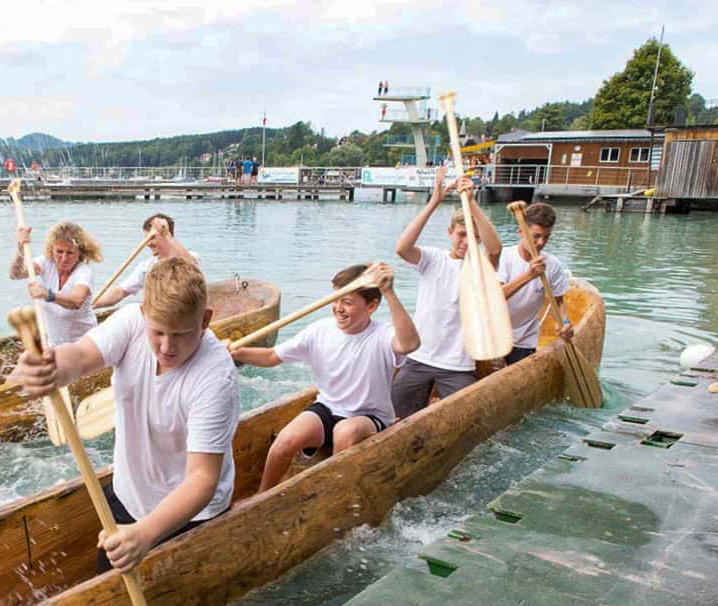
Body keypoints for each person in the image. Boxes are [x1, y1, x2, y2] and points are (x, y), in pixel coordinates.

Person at [12, 258, 239, 574]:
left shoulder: (216, 376)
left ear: (205, 321)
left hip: (190, 514)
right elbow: (78, 357)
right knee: (109, 584)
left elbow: (202, 479)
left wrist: (145, 534)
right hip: (130, 492)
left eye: (182, 334)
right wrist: (50, 368)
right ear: (144, 313)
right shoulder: (131, 322)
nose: (167, 347)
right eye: (158, 332)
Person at [231, 263, 419, 491]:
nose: (338, 308)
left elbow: (410, 344)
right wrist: (236, 352)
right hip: (327, 409)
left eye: (347, 302)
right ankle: (261, 496)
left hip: (369, 417)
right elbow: (272, 356)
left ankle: (332, 493)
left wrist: (389, 292)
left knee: (345, 432)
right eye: (336, 300)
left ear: (371, 307)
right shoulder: (320, 331)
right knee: (285, 441)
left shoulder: (382, 334)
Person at [391, 165, 502, 418]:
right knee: (393, 415)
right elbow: (402, 248)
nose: (466, 242)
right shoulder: (433, 259)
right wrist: (434, 202)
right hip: (419, 357)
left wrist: (472, 202)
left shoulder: (480, 267)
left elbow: (495, 250)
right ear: (450, 233)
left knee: (465, 419)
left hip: (457, 364)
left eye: (474, 237)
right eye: (462, 235)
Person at [497, 202, 574, 364]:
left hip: (524, 341)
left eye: (546, 237)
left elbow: (558, 303)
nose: (541, 243)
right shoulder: (503, 257)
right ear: (521, 232)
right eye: (536, 236)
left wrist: (565, 323)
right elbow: (494, 298)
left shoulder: (553, 265)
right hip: (493, 335)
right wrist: (529, 275)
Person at [10, 220, 103, 345]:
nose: (64, 258)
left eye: (70, 253)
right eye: (59, 252)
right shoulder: (46, 262)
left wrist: (48, 294)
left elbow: (76, 301)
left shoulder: (84, 272)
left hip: (85, 344)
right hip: (54, 343)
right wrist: (20, 248)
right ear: (52, 249)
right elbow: (16, 274)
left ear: (79, 252)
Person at [93, 214, 199, 309]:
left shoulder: (189, 257)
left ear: (167, 235)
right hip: (159, 318)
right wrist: (91, 305)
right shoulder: (146, 267)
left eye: (152, 237)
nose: (148, 243)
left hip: (185, 316)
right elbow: (120, 292)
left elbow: (192, 268)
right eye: (146, 239)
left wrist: (167, 234)